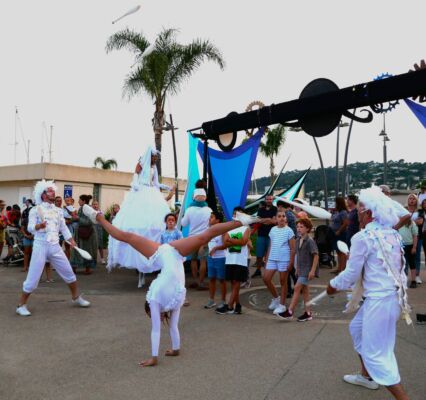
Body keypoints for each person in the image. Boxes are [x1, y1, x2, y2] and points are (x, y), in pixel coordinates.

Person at [81, 202, 258, 366]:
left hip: (170, 256)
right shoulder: (159, 298)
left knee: (203, 236)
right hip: (168, 251)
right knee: (128, 237)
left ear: (150, 308)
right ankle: (239, 222)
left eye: (151, 314)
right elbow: (158, 329)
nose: (153, 316)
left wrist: (165, 353)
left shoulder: (173, 299)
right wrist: (156, 356)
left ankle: (240, 222)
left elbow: (162, 328)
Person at [327, 185, 411, 400]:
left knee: (377, 357)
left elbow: (351, 274)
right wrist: (380, 199)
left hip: (380, 302)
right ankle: (366, 376)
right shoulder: (392, 233)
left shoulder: (362, 237)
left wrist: (332, 285)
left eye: (360, 209)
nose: (356, 213)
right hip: (391, 300)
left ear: (371, 212)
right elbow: (404, 214)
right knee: (357, 328)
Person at [16, 180, 90, 316]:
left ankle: (76, 297)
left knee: (69, 273)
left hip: (55, 246)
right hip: (40, 246)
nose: (53, 192)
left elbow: (63, 228)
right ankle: (21, 305)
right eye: (49, 190)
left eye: (53, 190)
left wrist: (71, 240)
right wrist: (39, 226)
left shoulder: (58, 211)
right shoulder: (35, 210)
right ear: (43, 195)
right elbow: (30, 228)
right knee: (32, 279)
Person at [107, 146, 173, 280]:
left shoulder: (154, 167)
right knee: (137, 221)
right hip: (141, 190)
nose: (156, 159)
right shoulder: (141, 164)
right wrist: (136, 185)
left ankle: (151, 259)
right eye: (154, 157)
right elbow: (135, 176)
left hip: (151, 192)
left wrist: (165, 187)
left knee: (155, 223)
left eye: (156, 157)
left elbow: (155, 183)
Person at [278, 218, 318, 321]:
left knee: (296, 288)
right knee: (304, 291)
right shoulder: (297, 240)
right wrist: (297, 268)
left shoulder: (310, 241)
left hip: (308, 270)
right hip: (301, 269)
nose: (299, 229)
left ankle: (290, 311)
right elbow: (298, 256)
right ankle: (308, 313)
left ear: (308, 229)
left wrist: (312, 270)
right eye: (298, 227)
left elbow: (316, 256)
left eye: (302, 227)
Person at [216, 207, 251, 315]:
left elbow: (243, 242)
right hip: (230, 260)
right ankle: (238, 305)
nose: (236, 215)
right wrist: (235, 241)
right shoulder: (229, 228)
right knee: (233, 282)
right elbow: (224, 243)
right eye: (235, 213)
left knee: (236, 282)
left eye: (239, 214)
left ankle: (229, 305)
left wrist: (230, 240)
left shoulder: (246, 228)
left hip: (240, 260)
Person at [263, 210, 295, 315]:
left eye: (283, 216)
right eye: (279, 216)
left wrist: (291, 262)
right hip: (272, 258)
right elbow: (270, 245)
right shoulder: (272, 229)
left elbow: (292, 248)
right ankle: (276, 298)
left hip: (284, 259)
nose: (281, 218)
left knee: (283, 281)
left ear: (286, 218)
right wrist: (267, 258)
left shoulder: (289, 231)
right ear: (276, 218)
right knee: (266, 278)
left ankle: (282, 305)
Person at [181, 188, 212, 290]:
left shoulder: (189, 209)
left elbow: (183, 223)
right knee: (203, 260)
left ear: (194, 198)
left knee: (193, 260)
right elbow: (211, 224)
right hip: (204, 238)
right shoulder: (209, 210)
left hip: (192, 238)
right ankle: (201, 282)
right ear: (205, 198)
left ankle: (195, 281)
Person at [204, 211, 227, 309]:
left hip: (221, 258)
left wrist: (216, 248)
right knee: (211, 279)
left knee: (222, 280)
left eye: (212, 217)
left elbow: (226, 244)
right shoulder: (208, 230)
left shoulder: (223, 231)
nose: (209, 219)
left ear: (218, 220)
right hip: (211, 258)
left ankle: (223, 301)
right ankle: (211, 300)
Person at [71, 194, 98, 274]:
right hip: (80, 233)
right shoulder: (81, 208)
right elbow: (78, 219)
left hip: (88, 234)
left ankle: (87, 268)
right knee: (76, 250)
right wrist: (74, 218)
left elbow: (89, 222)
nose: (78, 201)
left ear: (83, 201)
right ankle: (74, 268)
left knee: (87, 250)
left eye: (79, 200)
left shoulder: (87, 208)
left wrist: (78, 218)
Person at [252, 195, 277, 278]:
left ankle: (267, 271)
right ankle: (258, 270)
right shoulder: (261, 209)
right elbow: (259, 220)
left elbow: (275, 221)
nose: (269, 200)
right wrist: (269, 220)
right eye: (267, 199)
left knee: (269, 255)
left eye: (270, 199)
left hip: (271, 235)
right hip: (261, 234)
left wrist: (267, 220)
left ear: (272, 200)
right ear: (265, 200)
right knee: (259, 254)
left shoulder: (275, 209)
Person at [398, 214, 418, 288]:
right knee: (401, 264)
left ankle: (413, 281)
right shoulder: (398, 223)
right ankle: (402, 280)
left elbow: (415, 235)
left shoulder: (412, 223)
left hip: (410, 246)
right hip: (401, 246)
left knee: (412, 264)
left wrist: (414, 247)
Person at [330, 196, 349, 273]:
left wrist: (339, 231)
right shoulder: (337, 211)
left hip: (341, 234)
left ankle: (342, 269)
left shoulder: (343, 212)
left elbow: (345, 223)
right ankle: (339, 268)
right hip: (334, 233)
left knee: (341, 252)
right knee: (338, 251)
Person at [20, 199, 34, 273]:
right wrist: (26, 235)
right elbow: (22, 228)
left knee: (33, 253)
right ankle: (25, 267)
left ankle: (32, 267)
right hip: (27, 237)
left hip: (34, 237)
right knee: (26, 252)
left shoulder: (36, 219)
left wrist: (33, 235)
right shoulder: (25, 219)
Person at [92, 200, 106, 264]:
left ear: (98, 205)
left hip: (99, 229)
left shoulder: (101, 212)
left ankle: (102, 259)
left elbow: (103, 221)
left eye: (96, 204)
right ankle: (93, 259)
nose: (95, 206)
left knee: (100, 245)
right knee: (93, 245)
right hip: (92, 230)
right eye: (94, 204)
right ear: (92, 205)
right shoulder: (91, 212)